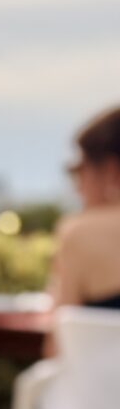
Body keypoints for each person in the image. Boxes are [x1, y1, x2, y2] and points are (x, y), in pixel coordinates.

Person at [49, 105, 120, 324]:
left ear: (110, 170)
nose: (77, 188)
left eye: (80, 170)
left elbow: (58, 342)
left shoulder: (81, 232)